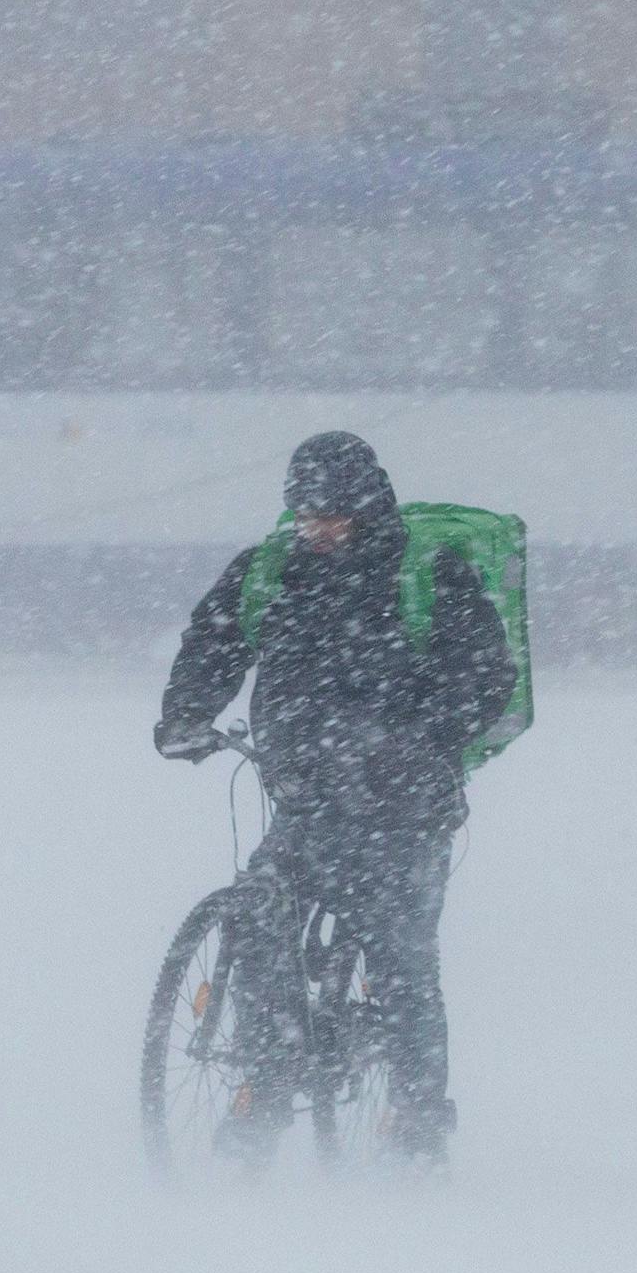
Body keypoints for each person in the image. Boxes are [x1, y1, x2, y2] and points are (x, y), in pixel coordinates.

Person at [154, 431, 516, 1164]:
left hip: (404, 809)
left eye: (332, 516)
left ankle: (418, 1125)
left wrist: (415, 739)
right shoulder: (270, 572)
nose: (316, 529)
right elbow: (212, 642)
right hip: (308, 797)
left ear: (367, 508)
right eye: (306, 515)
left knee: (401, 955)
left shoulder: (428, 573)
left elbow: (485, 676)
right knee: (260, 911)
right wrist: (186, 714)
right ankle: (265, 1086)